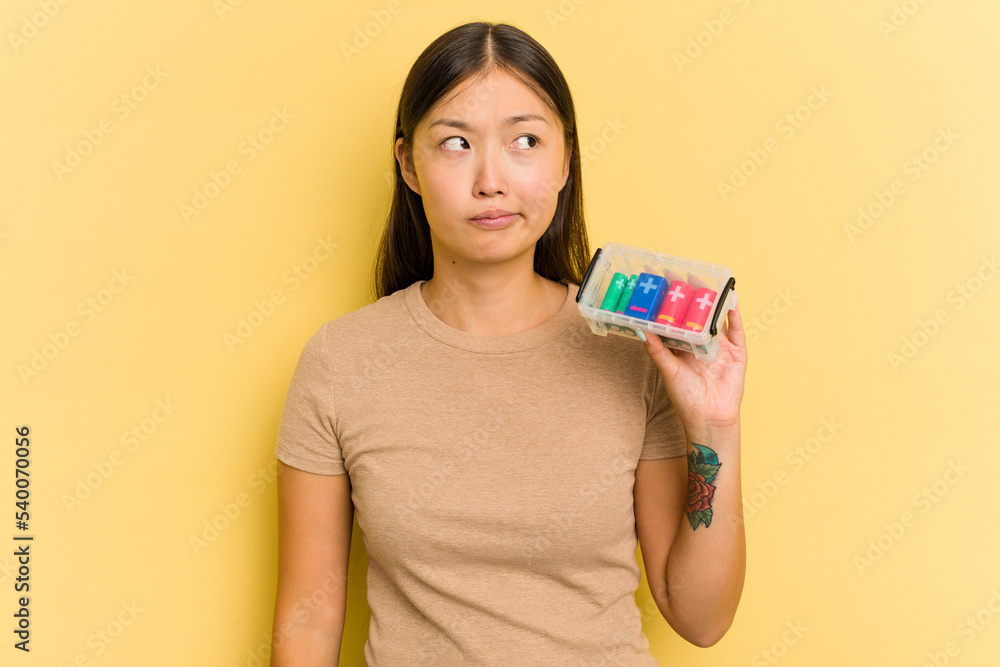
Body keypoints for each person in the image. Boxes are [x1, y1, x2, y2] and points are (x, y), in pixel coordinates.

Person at [269, 20, 747, 666]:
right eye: (456, 143)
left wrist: (714, 430)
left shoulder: (634, 354)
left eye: (525, 141)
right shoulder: (339, 363)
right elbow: (308, 626)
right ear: (408, 163)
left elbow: (701, 615)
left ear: (565, 161)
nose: (491, 179)